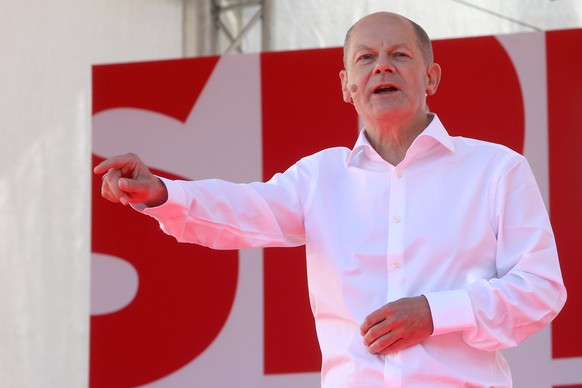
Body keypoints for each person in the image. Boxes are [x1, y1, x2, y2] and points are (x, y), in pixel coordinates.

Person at [94, 11, 567, 388]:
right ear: (347, 86)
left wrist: (436, 313)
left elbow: (541, 289)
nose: (382, 65)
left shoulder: (495, 170)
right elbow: (243, 210)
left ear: (432, 77)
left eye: (399, 54)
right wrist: (162, 193)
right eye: (365, 58)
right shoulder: (321, 176)